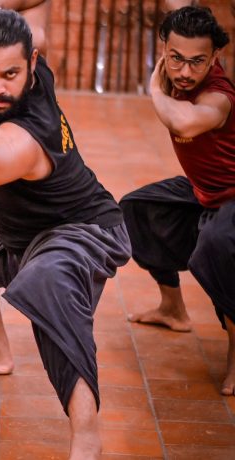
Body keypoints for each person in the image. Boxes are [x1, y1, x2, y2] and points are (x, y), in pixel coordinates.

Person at [0, 1, 131, 458]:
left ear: (32, 63)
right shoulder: (23, 57)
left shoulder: (25, 133)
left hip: (83, 230)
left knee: (47, 283)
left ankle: (87, 436)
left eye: (10, 74)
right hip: (19, 230)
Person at [120, 6, 235, 396]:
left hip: (232, 199)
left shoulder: (219, 95)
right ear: (163, 49)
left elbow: (185, 121)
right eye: (176, 59)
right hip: (203, 191)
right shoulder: (178, 76)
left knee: (215, 249)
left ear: (214, 57)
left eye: (197, 62)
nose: (185, 71)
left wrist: (154, 88)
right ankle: (173, 309)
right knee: (137, 209)